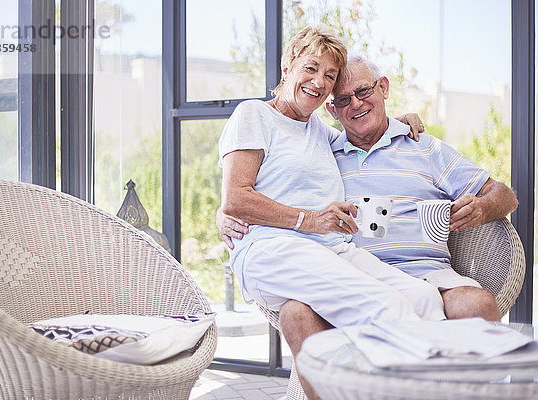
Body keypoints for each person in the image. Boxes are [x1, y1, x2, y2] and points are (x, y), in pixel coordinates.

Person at [219, 56, 519, 385]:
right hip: (343, 269)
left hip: (425, 271)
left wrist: (482, 208)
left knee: (476, 306)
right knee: (296, 313)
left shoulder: (423, 147)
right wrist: (224, 212)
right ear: (332, 110)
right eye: (343, 100)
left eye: (364, 91)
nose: (356, 104)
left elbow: (505, 194)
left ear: (384, 88)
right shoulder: (322, 149)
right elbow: (258, 185)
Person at [219, 26, 447, 337]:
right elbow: (235, 198)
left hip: (330, 248)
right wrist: (309, 220)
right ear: (287, 68)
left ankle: (438, 380)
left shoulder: (318, 130)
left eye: (329, 75)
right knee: (389, 307)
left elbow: (362, 134)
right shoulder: (254, 115)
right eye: (310, 68)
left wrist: (398, 122)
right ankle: (385, 384)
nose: (319, 82)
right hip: (273, 250)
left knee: (424, 298)